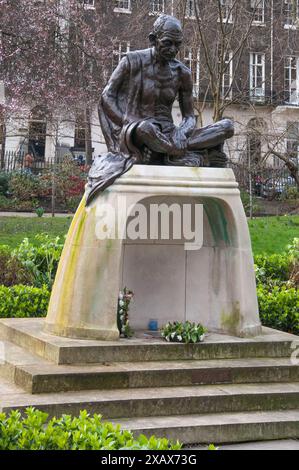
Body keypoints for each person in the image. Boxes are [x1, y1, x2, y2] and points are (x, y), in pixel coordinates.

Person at [86, 14, 234, 204]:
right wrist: (127, 121)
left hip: (170, 135)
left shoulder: (183, 73)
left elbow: (189, 116)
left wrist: (182, 132)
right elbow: (107, 96)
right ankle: (179, 153)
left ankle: (166, 152)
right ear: (153, 39)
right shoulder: (131, 61)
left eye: (178, 44)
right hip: (139, 129)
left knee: (227, 127)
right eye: (168, 43)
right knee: (146, 129)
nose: (174, 50)